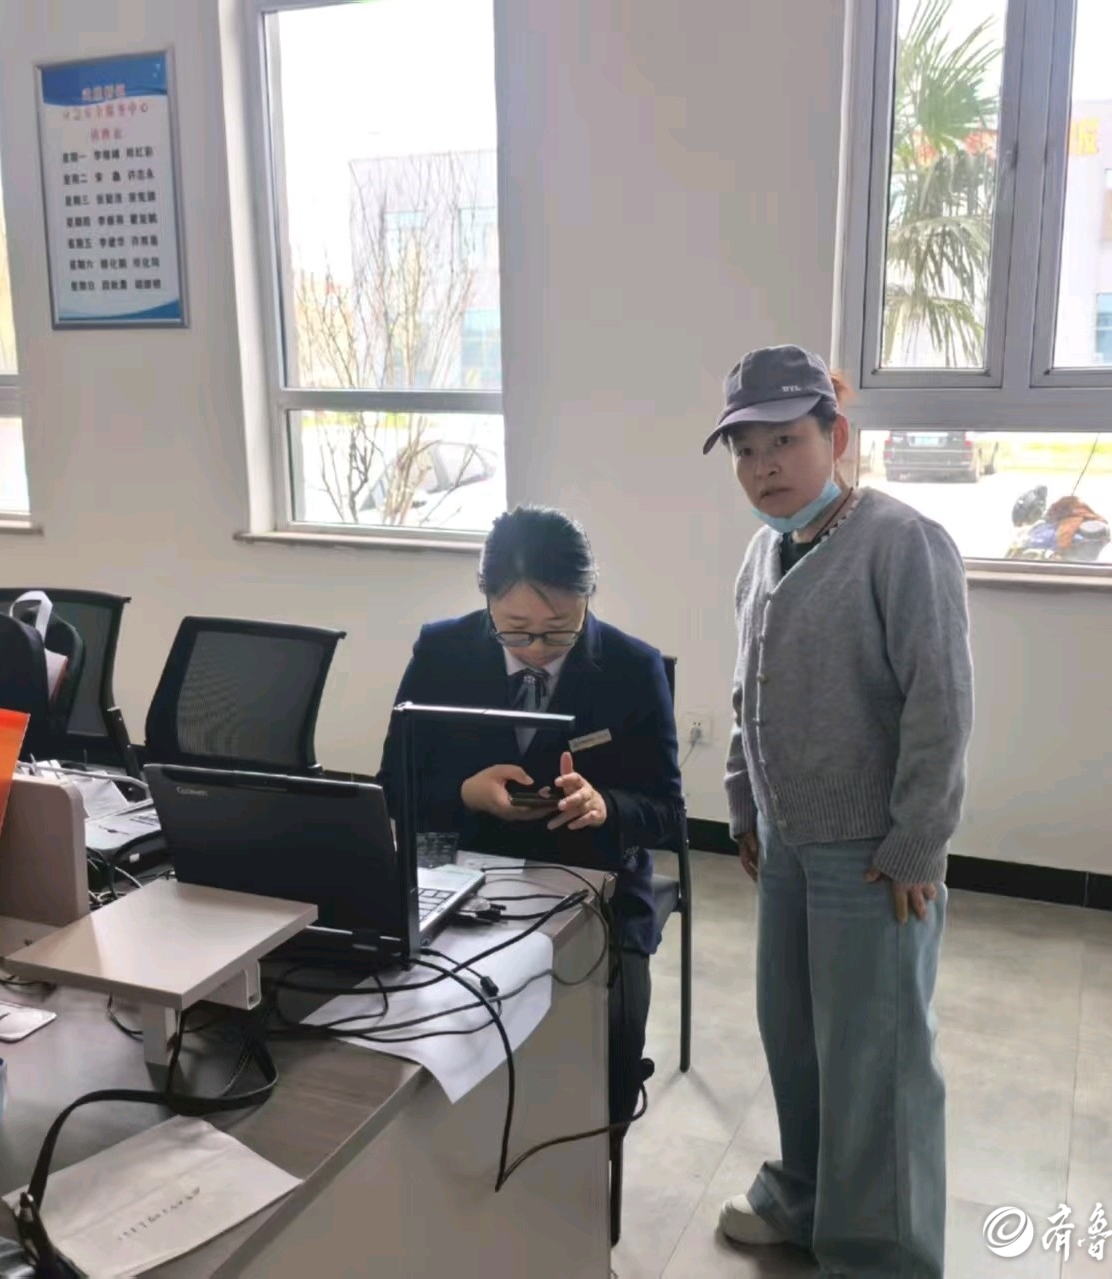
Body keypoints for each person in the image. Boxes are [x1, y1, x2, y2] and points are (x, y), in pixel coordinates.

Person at [703, 345, 973, 1277]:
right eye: (745, 450)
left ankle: (880, 1253)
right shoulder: (764, 551)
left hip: (872, 853)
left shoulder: (902, 543)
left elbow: (942, 703)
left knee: (876, 1057)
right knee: (797, 1036)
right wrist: (744, 799)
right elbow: (748, 688)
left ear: (837, 437)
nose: (764, 466)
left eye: (785, 440)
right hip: (786, 839)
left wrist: (918, 843)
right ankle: (806, 1198)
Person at [378, 505, 683, 1129]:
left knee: (611, 1044)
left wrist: (605, 805)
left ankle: (599, 1145)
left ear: (587, 598)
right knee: (415, 1021)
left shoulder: (632, 666)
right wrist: (464, 792)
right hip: (464, 872)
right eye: (515, 631)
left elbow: (666, 809)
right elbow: (392, 784)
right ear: (486, 598)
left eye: (560, 632)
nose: (537, 651)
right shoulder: (442, 651)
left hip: (594, 879)